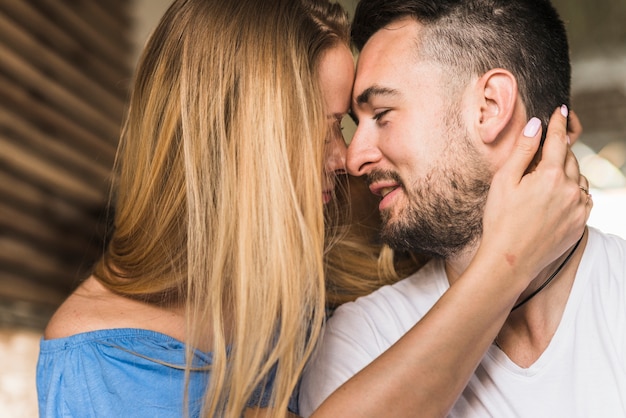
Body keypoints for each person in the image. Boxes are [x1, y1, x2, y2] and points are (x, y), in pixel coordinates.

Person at [36, 0, 589, 417]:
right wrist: (508, 261)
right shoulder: (102, 362)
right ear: (241, 134)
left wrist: (533, 157)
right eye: (327, 128)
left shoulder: (320, 261)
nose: (346, 157)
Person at [299, 0, 625, 416]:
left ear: (489, 106)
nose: (354, 157)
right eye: (353, 122)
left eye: (381, 114)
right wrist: (510, 262)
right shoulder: (363, 341)